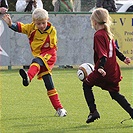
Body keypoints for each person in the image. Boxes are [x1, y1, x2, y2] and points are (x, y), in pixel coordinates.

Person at [2, 8, 67, 117]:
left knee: (36, 61)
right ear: (34, 23)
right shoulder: (31, 28)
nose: (41, 25)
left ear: (47, 20)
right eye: (38, 24)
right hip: (40, 57)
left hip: (49, 54)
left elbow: (51, 47)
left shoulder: (52, 31)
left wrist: (42, 54)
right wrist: (10, 24)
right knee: (49, 84)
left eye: (43, 23)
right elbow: (20, 27)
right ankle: (60, 109)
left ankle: (28, 77)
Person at [82, 8, 133, 124]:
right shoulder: (108, 33)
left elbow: (103, 55)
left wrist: (100, 67)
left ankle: (93, 111)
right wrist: (123, 58)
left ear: (94, 22)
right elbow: (115, 50)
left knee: (86, 85)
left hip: (104, 70)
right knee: (115, 94)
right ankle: (132, 112)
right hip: (113, 70)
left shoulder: (98, 35)